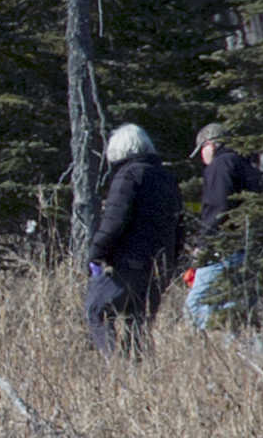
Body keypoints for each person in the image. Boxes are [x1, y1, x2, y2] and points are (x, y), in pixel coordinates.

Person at [85, 124, 183, 358]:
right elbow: (179, 225)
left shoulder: (128, 175)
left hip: (130, 262)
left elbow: (114, 220)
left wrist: (95, 253)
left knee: (97, 310)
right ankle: (137, 375)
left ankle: (114, 367)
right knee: (138, 322)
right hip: (159, 265)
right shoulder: (167, 178)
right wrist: (172, 260)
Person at [184, 122, 263, 330]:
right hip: (245, 248)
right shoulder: (245, 164)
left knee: (195, 306)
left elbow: (217, 208)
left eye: (202, 149)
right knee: (234, 306)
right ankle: (238, 352)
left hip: (221, 249)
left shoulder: (220, 165)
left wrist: (204, 244)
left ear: (211, 144)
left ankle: (218, 334)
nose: (202, 157)